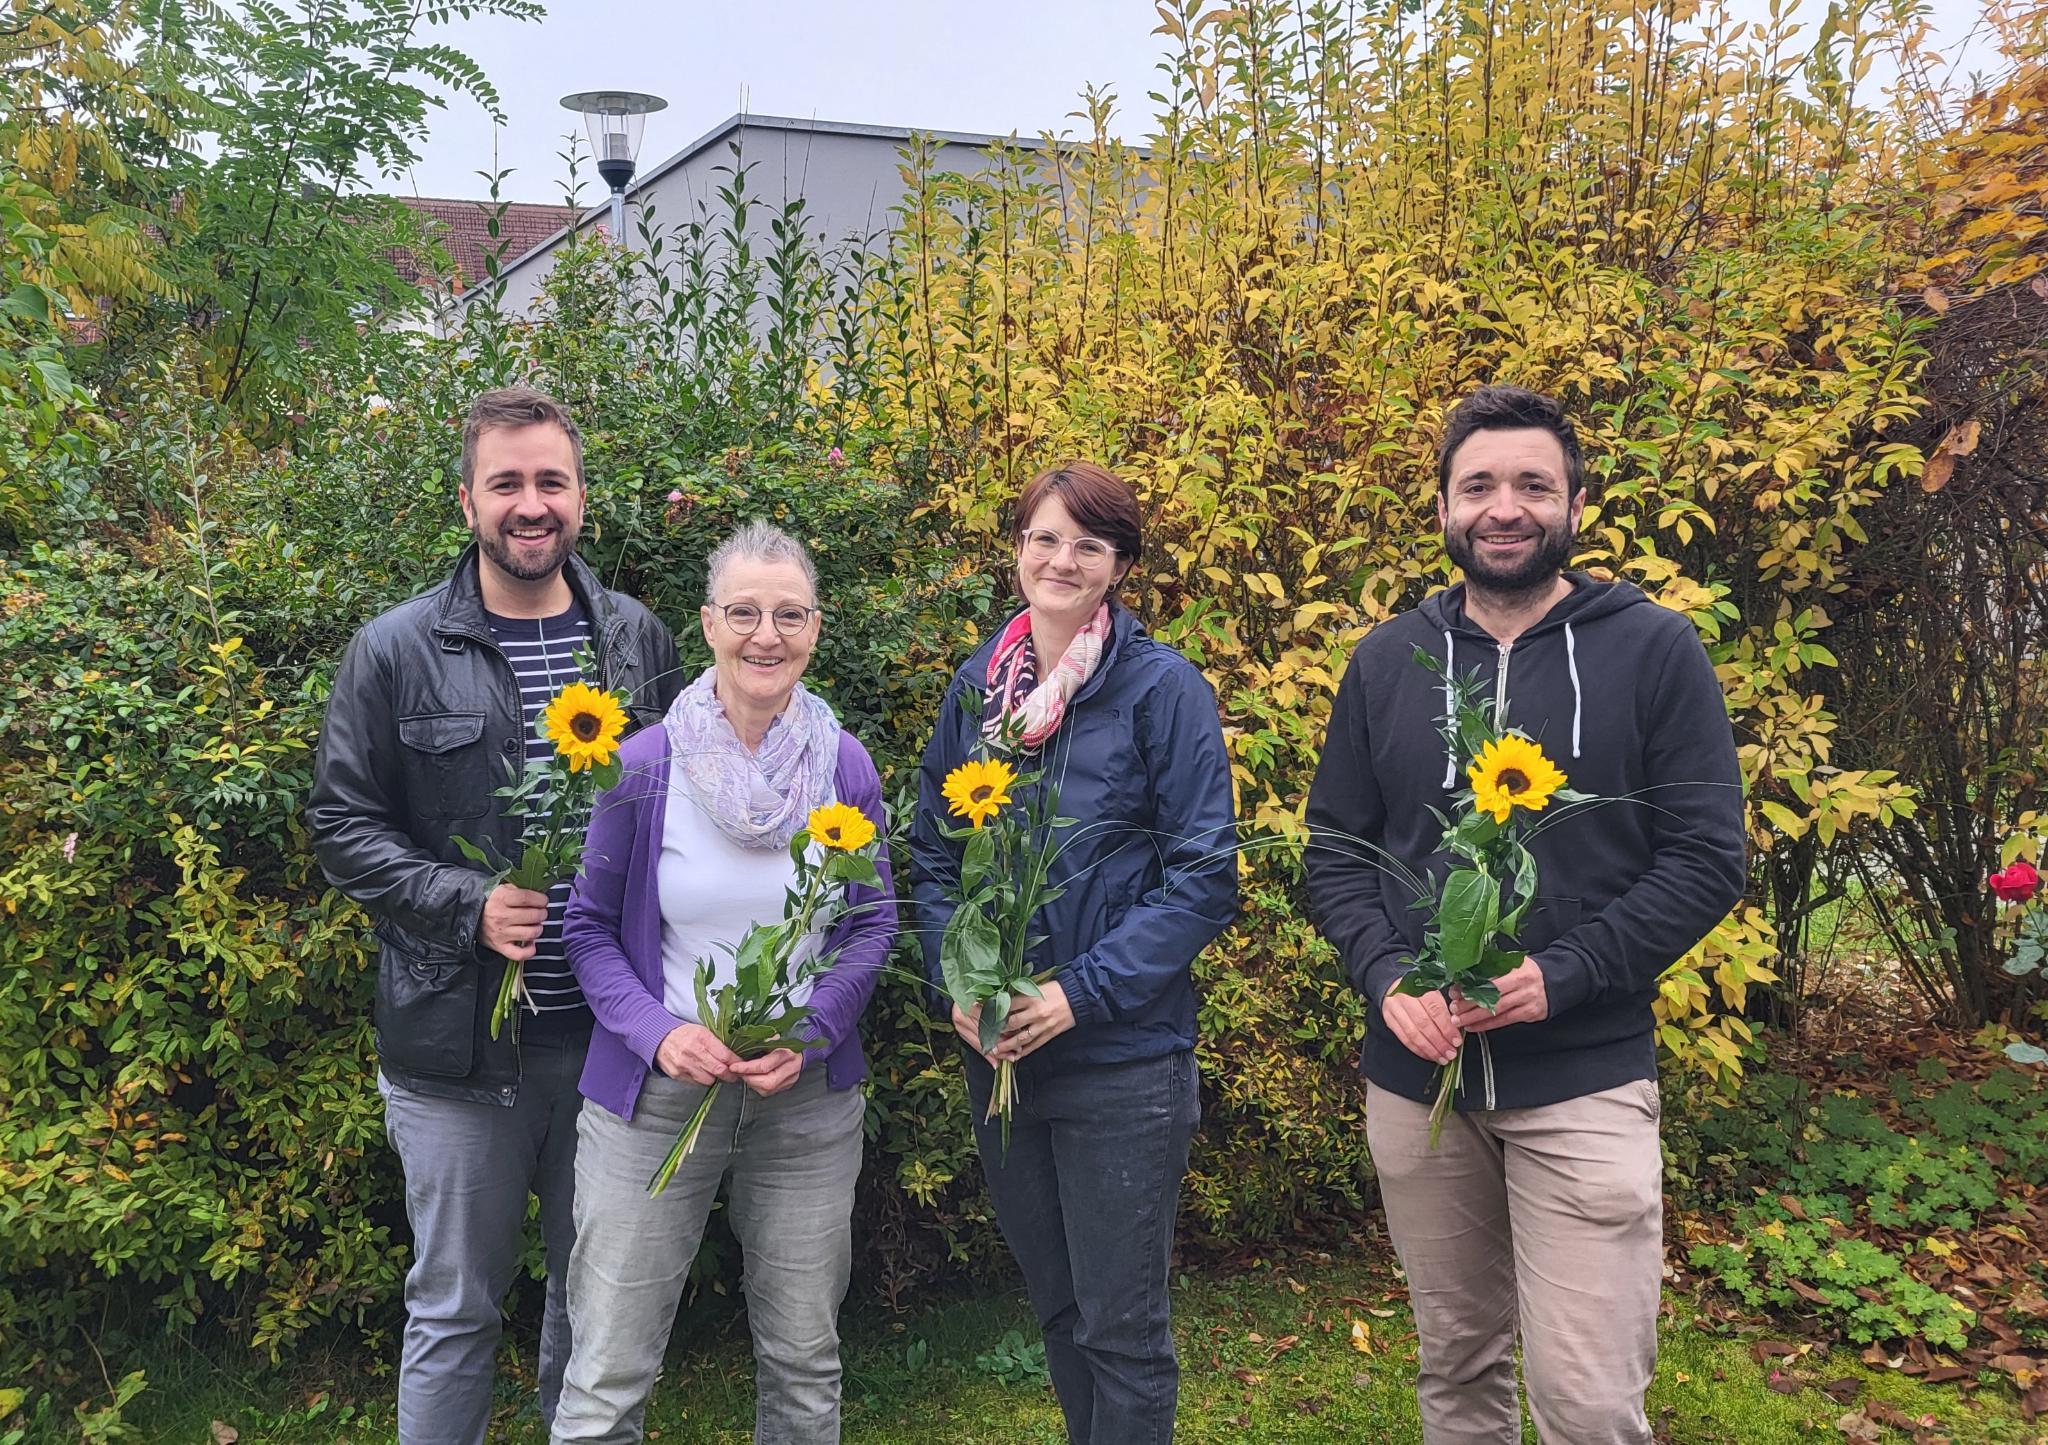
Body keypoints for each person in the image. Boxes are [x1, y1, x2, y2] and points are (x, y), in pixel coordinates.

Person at [1304, 383, 1747, 1444]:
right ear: (1443, 508)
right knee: (1456, 1368)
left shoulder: (1654, 650)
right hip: (1419, 1082)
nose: (1504, 507)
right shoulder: (1385, 660)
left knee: (1588, 1401)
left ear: (1575, 506)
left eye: (1533, 485)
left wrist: (1565, 972)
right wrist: (1385, 976)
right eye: (1478, 486)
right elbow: (1335, 853)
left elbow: (1706, 858)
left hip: (1583, 1079)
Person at [307, 386, 682, 1443]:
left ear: (581, 497)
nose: (531, 503)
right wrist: (464, 902)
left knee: (594, 1307)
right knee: (453, 1309)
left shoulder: (636, 640)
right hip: (455, 1049)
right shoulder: (394, 649)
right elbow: (341, 822)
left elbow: (678, 818)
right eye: (506, 482)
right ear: (468, 499)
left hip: (610, 1044)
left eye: (551, 481)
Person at [908, 461, 1239, 1445]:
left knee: (1121, 1331)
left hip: (1120, 1064)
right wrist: (959, 975)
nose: (1061, 559)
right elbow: (934, 854)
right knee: (1057, 1310)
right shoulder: (978, 686)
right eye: (1043, 537)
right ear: (1017, 548)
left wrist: (1077, 994)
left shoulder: (1161, 690)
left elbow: (1203, 878)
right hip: (1002, 1058)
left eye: (1087, 544)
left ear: (1119, 565)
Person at [550, 521, 896, 1445]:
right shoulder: (643, 767)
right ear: (708, 624)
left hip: (803, 1107)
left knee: (803, 1364)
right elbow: (587, 928)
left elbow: (872, 923)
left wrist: (813, 1031)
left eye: (789, 614)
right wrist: (658, 1032)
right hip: (655, 1098)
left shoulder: (843, 765)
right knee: (606, 1372)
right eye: (743, 612)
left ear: (815, 629)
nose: (765, 635)